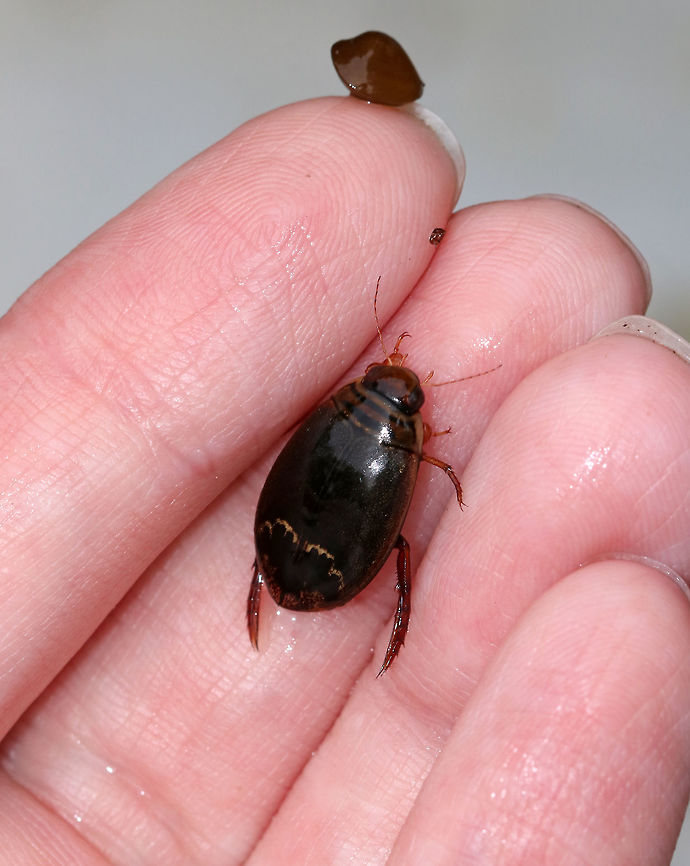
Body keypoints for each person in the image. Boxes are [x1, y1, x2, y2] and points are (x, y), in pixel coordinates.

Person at [0, 95, 688, 864]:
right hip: (325, 552)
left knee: (388, 544)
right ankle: (326, 593)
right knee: (391, 549)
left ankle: (296, 587)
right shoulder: (404, 445)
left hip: (306, 543)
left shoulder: (346, 415)